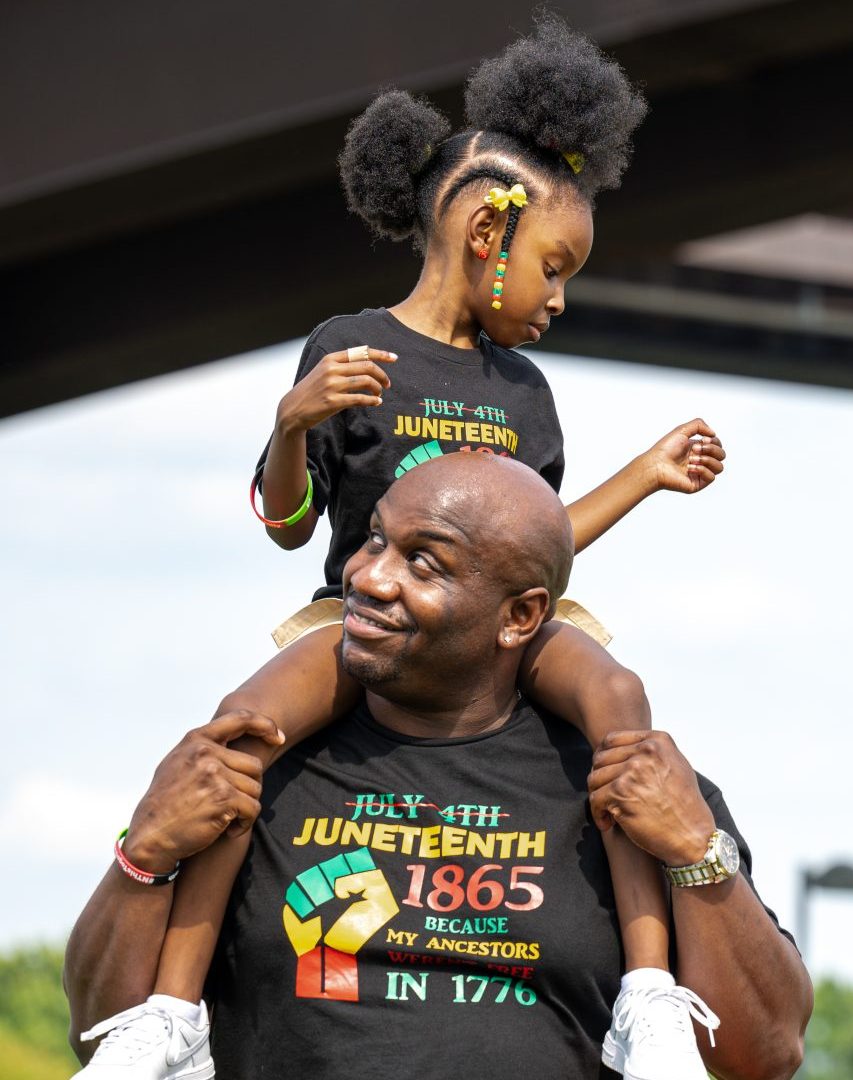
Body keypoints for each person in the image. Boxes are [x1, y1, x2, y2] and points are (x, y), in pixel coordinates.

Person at [71, 16, 726, 1080]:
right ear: (485, 237)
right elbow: (287, 527)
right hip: (356, 616)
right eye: (553, 269)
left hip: (515, 627)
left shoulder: (527, 391)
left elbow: (543, 558)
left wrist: (644, 478)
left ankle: (649, 995)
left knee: (621, 702)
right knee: (239, 739)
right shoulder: (351, 350)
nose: (559, 299)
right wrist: (291, 422)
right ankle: (169, 1015)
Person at [64, 453, 812, 1080]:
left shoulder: (629, 782)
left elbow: (767, 1053)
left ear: (519, 616)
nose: (369, 577)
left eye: (422, 562)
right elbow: (101, 1032)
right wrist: (145, 855)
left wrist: (696, 855)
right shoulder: (257, 766)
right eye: (375, 539)